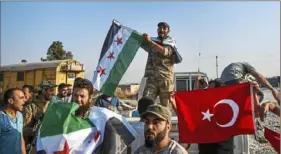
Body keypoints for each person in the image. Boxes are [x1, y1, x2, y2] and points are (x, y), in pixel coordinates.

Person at [140, 22, 182, 107]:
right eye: (159, 28)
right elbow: (137, 41)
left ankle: (165, 121)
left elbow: (165, 52)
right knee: (145, 104)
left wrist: (150, 42)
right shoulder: (153, 40)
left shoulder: (171, 43)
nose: (161, 30)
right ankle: (147, 120)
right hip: (152, 79)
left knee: (165, 107)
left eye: (164, 28)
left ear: (168, 30)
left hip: (165, 80)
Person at [22, 81, 57, 152]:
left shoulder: (53, 106)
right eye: (51, 91)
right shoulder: (31, 108)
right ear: (44, 91)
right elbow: (23, 130)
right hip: (34, 147)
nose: (53, 94)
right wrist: (37, 131)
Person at [0, 88, 26, 154]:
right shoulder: (1, 117)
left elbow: (21, 137)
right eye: (21, 98)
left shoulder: (20, 115)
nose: (25, 100)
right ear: (11, 101)